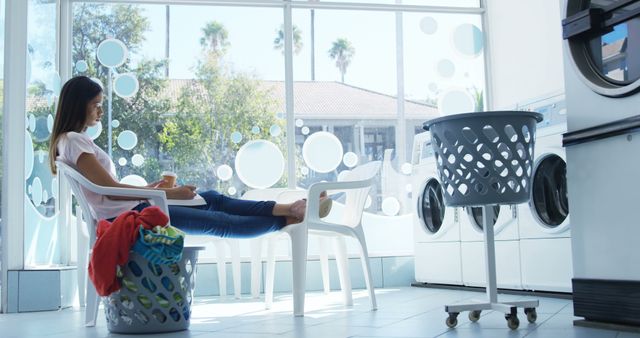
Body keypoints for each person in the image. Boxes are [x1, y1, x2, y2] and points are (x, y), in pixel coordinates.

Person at [49, 75, 330, 238]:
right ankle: (289, 218)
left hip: (131, 208)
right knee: (217, 220)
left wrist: (150, 189)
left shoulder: (71, 141)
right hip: (128, 217)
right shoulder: (74, 141)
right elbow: (108, 189)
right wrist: (169, 196)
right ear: (78, 106)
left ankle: (293, 207)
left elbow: (104, 189)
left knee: (215, 199)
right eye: (96, 105)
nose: (99, 111)